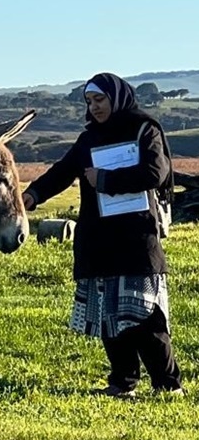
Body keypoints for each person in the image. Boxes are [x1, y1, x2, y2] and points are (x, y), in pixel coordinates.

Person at [22, 72, 184, 398]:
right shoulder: (88, 139)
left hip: (136, 238)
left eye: (100, 100)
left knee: (145, 317)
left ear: (117, 97)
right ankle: (122, 384)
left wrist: (106, 180)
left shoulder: (144, 130)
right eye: (89, 102)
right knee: (109, 317)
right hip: (98, 240)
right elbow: (63, 172)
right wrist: (33, 195)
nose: (94, 107)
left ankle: (168, 385)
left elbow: (156, 172)